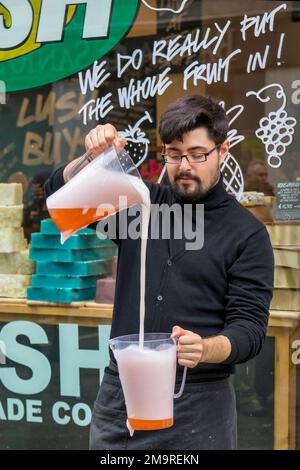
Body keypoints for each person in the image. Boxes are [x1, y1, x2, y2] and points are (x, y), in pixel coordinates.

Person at [44, 95, 274, 450]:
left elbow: (250, 330)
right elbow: (59, 195)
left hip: (197, 407)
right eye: (173, 153)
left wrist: (205, 347)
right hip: (120, 397)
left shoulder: (248, 234)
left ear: (223, 151)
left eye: (197, 154)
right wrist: (91, 158)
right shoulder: (140, 206)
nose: (184, 165)